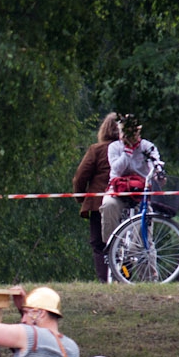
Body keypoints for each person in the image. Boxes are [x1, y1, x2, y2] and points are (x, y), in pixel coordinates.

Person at [72, 112, 121, 282]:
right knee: (123, 242)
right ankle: (122, 278)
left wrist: (80, 197)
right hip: (127, 201)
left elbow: (81, 176)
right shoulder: (128, 151)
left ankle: (104, 280)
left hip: (99, 203)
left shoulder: (97, 150)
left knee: (100, 244)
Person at [101, 115, 163, 244]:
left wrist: (159, 174)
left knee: (145, 228)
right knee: (108, 205)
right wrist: (127, 152)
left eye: (131, 132)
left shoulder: (147, 147)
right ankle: (111, 244)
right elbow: (116, 169)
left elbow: (155, 164)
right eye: (124, 132)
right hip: (118, 190)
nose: (127, 136)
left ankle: (142, 253)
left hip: (140, 193)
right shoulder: (114, 147)